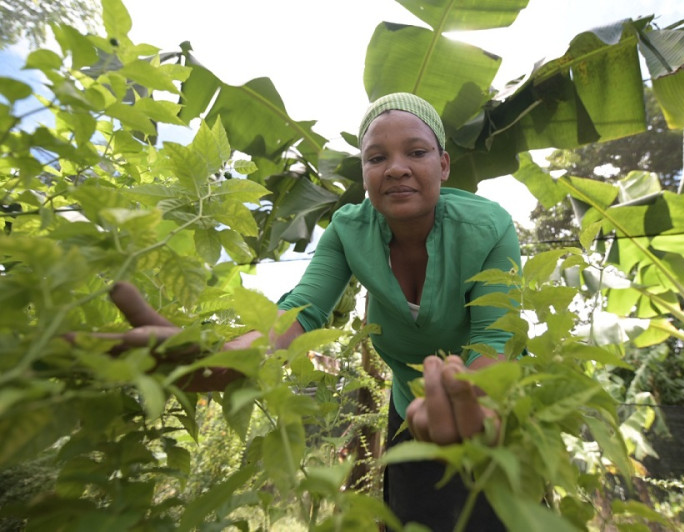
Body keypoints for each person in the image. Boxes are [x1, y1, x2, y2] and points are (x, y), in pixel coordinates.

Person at [103, 93, 520, 531]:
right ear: (364, 173)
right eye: (376, 157)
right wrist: (233, 353)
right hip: (410, 408)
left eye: (416, 152)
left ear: (444, 165)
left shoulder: (489, 228)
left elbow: (495, 338)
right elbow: (301, 311)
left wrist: (475, 399)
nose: (396, 167)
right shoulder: (347, 230)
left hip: (489, 404)